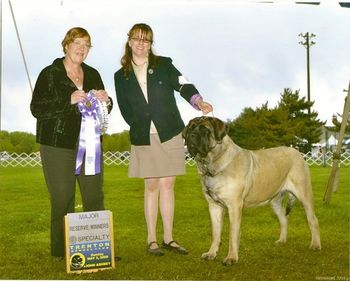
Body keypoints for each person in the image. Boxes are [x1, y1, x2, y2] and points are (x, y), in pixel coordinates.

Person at [114, 23, 213, 256]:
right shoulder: (121, 76)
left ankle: (169, 238)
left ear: (151, 44)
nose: (141, 43)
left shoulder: (164, 65)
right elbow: (124, 107)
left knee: (168, 185)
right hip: (144, 136)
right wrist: (140, 124)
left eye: (146, 40)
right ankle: (152, 240)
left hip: (170, 132)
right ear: (129, 41)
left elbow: (183, 84)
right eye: (137, 39)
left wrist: (198, 102)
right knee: (151, 185)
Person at [30, 27, 113, 259]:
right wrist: (68, 101)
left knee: (94, 196)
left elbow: (104, 109)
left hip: (90, 144)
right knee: (63, 197)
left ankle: (97, 249)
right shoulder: (50, 73)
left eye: (86, 44)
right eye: (77, 42)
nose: (81, 48)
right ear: (66, 45)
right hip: (57, 145)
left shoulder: (93, 74)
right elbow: (37, 108)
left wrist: (107, 101)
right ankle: (61, 251)